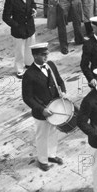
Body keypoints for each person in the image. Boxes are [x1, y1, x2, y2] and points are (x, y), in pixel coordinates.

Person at [21, 43, 67, 171]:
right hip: (42, 112)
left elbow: (59, 80)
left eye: (47, 54)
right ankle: (42, 160)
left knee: (53, 132)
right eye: (43, 55)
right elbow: (27, 97)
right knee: (42, 136)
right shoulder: (29, 75)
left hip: (55, 108)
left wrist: (63, 91)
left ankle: (51, 155)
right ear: (35, 56)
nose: (46, 56)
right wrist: (42, 109)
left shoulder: (51, 66)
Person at [2, 0, 37, 78]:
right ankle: (19, 69)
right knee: (20, 51)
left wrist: (33, 10)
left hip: (30, 27)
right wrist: (16, 25)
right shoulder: (10, 0)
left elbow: (33, 4)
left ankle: (30, 64)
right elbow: (6, 17)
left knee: (30, 47)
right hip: (19, 30)